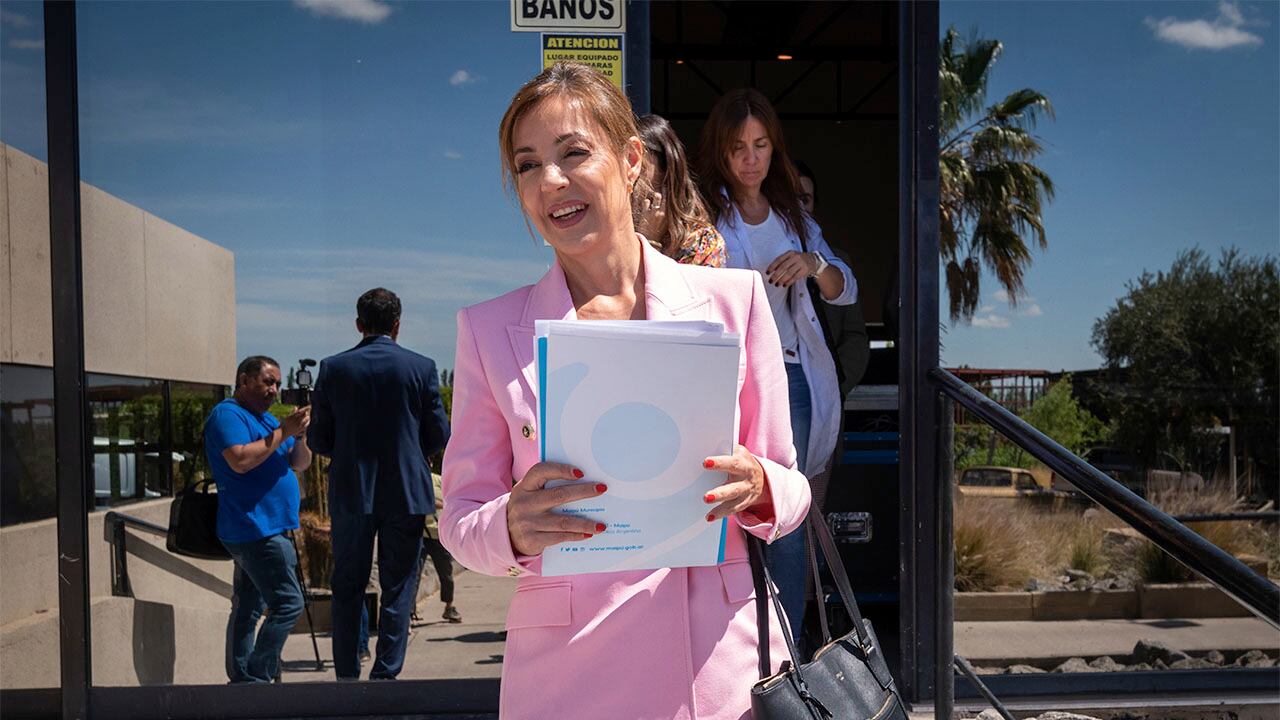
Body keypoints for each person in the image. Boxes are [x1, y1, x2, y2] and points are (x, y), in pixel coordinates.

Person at [439, 62, 810, 718]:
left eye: (573, 152)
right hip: (568, 676)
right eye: (527, 165)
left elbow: (791, 486)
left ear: (631, 160)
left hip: (720, 672)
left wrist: (758, 485)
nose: (551, 180)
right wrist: (511, 526)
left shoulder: (734, 301)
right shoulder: (489, 331)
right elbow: (462, 517)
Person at [695, 88, 858, 647]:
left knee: (784, 519)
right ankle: (731, 655)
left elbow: (845, 288)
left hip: (789, 381)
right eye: (738, 146)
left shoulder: (791, 215)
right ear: (720, 149)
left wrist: (814, 264)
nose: (750, 158)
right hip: (724, 383)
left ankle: (785, 661)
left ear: (774, 149)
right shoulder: (704, 212)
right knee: (722, 520)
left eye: (761, 145)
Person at [307, 288, 452, 680]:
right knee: (399, 585)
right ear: (398, 325)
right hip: (405, 490)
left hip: (351, 490)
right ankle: (386, 674)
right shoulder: (421, 368)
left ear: (358, 324)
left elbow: (318, 439)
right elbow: (439, 434)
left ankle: (347, 674)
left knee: (348, 585)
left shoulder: (334, 368)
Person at [204, 355, 312, 684]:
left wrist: (301, 435)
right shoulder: (228, 414)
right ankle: (258, 674)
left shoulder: (268, 421)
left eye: (277, 383)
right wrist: (283, 430)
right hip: (255, 529)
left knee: (250, 607)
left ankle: (242, 678)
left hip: (269, 527)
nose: (274, 390)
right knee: (289, 602)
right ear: (244, 381)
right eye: (267, 381)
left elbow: (300, 463)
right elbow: (239, 460)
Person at [631, 113, 726, 268]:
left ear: (666, 170)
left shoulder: (702, 241)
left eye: (641, 168)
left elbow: (679, 292)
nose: (630, 176)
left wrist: (648, 243)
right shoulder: (612, 231)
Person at [411, 473, 460, 624]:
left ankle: (449, 607)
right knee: (414, 574)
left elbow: (450, 500)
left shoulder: (439, 480)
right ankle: (410, 612)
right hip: (419, 534)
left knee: (446, 572)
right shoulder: (413, 479)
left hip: (438, 535)